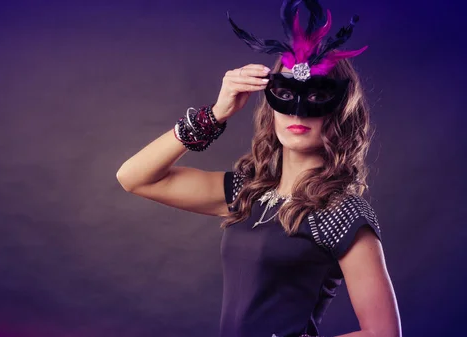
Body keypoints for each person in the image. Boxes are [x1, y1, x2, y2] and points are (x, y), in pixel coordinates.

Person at [116, 1, 401, 336]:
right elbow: (133, 177)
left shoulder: (342, 214)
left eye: (315, 98)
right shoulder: (246, 193)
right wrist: (214, 115)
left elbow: (383, 333)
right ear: (271, 104)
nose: (297, 114)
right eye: (284, 95)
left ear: (338, 112)